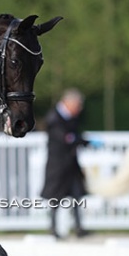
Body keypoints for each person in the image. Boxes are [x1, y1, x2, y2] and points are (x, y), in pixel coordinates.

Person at [40, 88, 90, 239]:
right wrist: (80, 140)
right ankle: (53, 227)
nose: (80, 109)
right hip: (58, 164)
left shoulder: (70, 118)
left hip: (71, 164)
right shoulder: (54, 118)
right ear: (69, 103)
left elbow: (73, 136)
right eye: (78, 105)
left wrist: (80, 140)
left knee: (76, 194)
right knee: (56, 196)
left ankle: (78, 227)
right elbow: (65, 138)